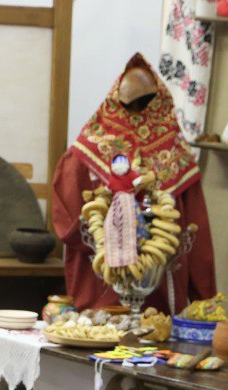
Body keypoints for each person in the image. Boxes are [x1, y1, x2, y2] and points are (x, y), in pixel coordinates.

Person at [51, 53, 216, 314]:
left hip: (159, 297)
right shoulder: (86, 152)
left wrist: (205, 304)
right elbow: (67, 220)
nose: (139, 111)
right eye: (134, 104)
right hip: (101, 288)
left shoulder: (176, 155)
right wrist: (112, 237)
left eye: (145, 103)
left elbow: (196, 236)